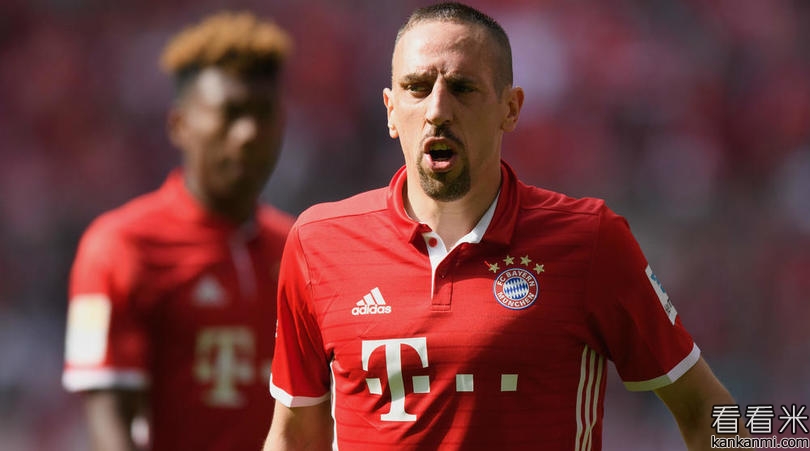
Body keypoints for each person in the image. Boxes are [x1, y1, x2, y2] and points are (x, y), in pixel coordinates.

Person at [264, 2, 743, 451]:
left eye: (462, 88)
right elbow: (294, 434)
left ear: (510, 108)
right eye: (417, 87)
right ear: (390, 110)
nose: (437, 110)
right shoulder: (317, 242)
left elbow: (704, 409)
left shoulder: (589, 239)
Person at [62, 11, 294, 451]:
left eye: (263, 113)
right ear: (179, 125)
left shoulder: (299, 247)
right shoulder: (119, 247)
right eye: (230, 113)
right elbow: (109, 418)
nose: (248, 133)